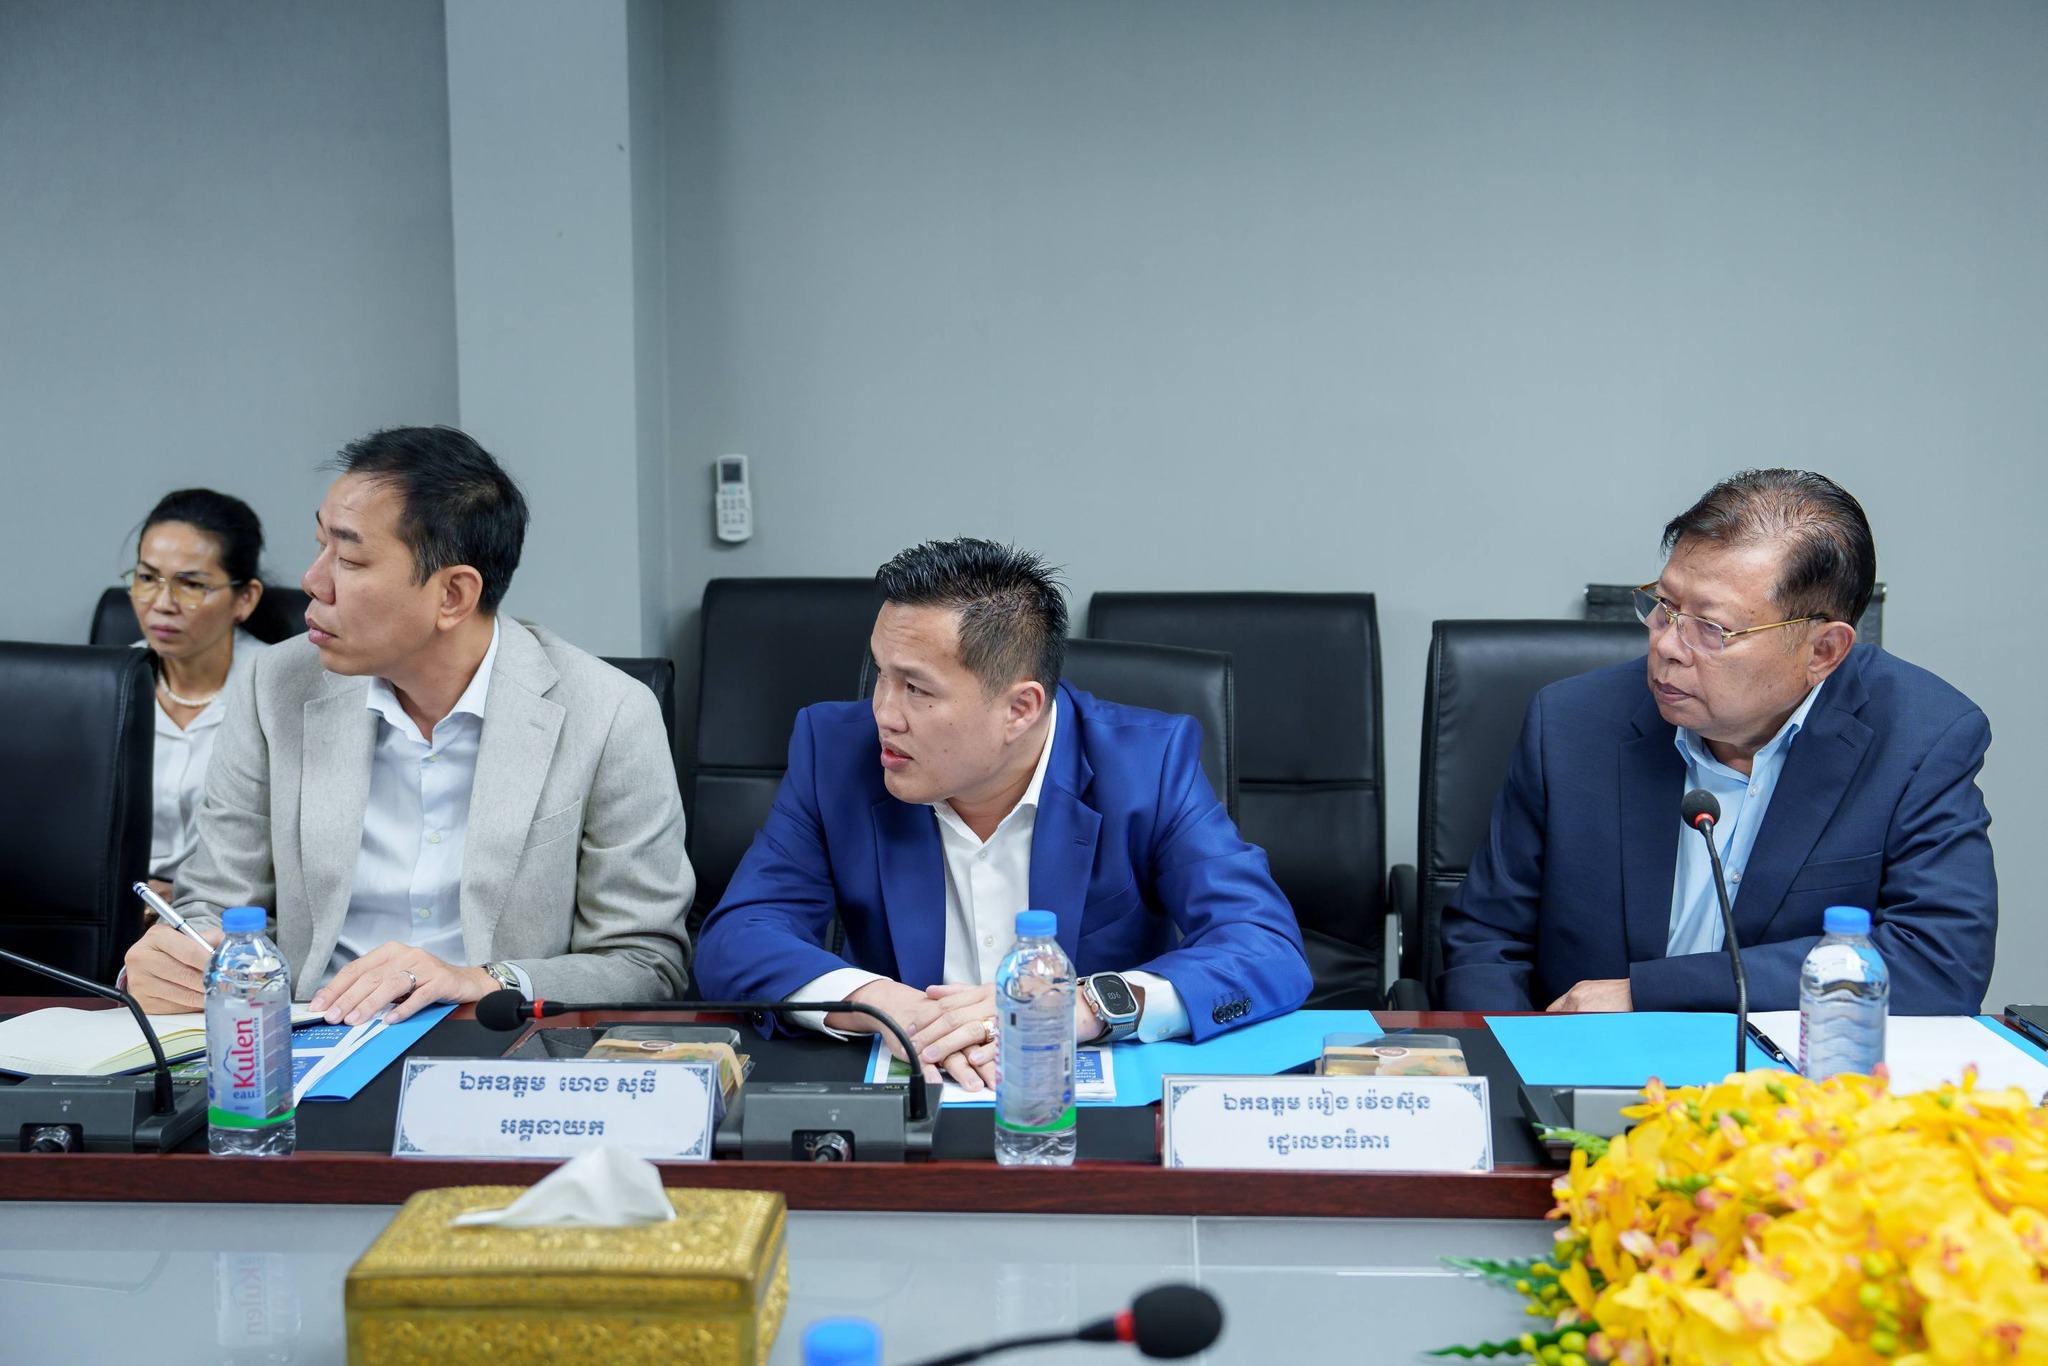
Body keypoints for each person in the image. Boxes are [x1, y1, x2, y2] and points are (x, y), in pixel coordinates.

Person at [693, 538, 1312, 1090]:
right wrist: (879, 1002)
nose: (882, 712)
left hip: (1081, 1107)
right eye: (881, 674)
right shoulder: (836, 751)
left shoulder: (1147, 764)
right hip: (913, 1091)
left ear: (1020, 709)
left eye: (916, 688)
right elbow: (738, 937)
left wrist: (1081, 1007)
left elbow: (1265, 947)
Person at [122, 426, 692, 1022]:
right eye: (320, 546)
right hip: (308, 1035)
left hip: (494, 1043)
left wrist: (481, 980)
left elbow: (645, 963)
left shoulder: (609, 713)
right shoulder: (275, 685)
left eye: (349, 559)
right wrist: (179, 958)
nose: (313, 581)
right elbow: (216, 904)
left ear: (453, 595)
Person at [1438, 469, 1995, 1016]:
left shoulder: (1920, 739)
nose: (1667, 646)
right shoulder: (1570, 725)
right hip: (1583, 1060)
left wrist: (1650, 994)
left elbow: (1938, 964)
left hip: (1790, 1070)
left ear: (1822, 651)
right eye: (1664, 607)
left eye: (1711, 627)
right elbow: (1486, 941)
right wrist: (1514, 1057)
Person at [125, 489, 269, 898]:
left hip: (236, 909)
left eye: (190, 584)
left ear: (245, 599)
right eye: (147, 578)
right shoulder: (106, 687)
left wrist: (185, 896)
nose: (162, 603)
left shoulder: (278, 689)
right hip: (121, 906)